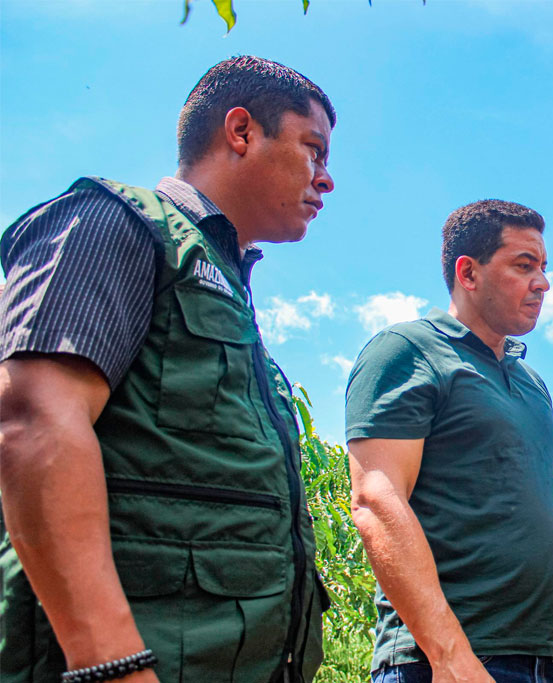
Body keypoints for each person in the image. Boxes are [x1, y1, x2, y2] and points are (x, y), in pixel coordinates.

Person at [0, 56, 335, 683]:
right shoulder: (115, 221)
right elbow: (33, 420)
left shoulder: (227, 286)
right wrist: (113, 666)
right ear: (241, 132)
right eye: (313, 149)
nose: (327, 179)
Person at [345, 200, 553, 683]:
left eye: (544, 268)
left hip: (540, 661)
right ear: (468, 273)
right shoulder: (408, 351)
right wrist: (450, 655)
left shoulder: (531, 382)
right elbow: (376, 501)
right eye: (524, 266)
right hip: (441, 663)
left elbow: (544, 514)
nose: (543, 283)